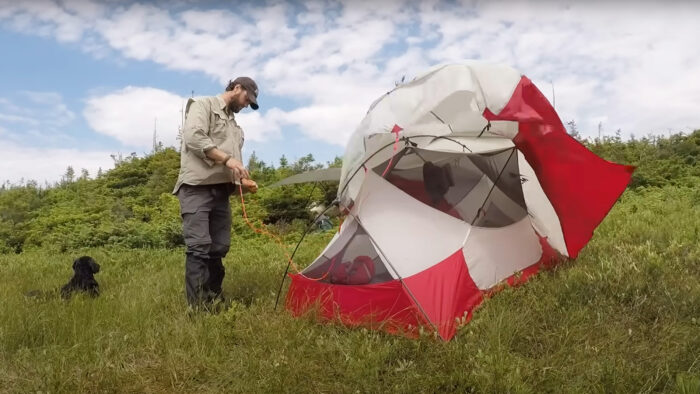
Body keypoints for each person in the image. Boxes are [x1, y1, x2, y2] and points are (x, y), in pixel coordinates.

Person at [172, 76, 260, 308]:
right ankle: (198, 307)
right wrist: (228, 159)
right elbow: (193, 137)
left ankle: (213, 296)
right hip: (196, 188)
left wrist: (243, 182)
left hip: (222, 192)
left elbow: (233, 164)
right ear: (237, 88)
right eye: (245, 98)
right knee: (199, 246)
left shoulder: (236, 127)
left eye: (250, 103)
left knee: (219, 246)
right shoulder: (203, 106)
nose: (245, 104)